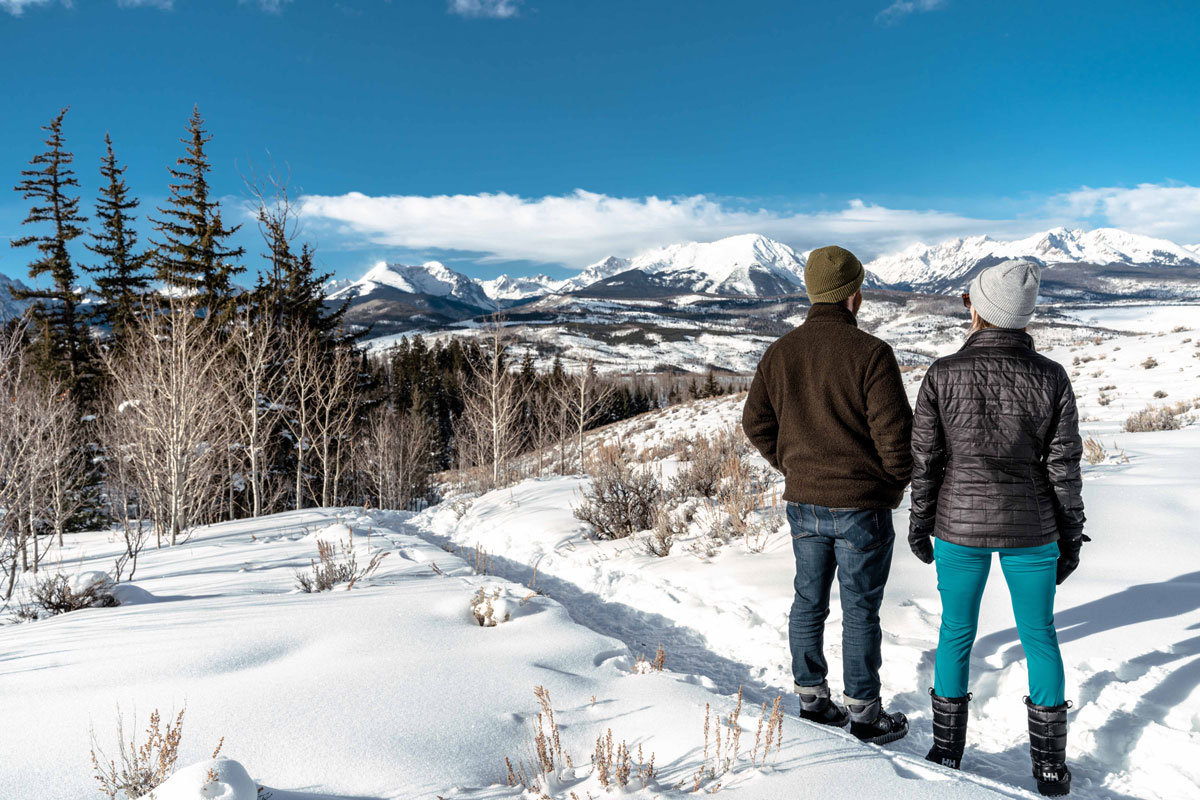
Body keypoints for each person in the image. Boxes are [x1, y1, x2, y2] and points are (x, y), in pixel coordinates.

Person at [907, 260, 1087, 797]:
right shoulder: (1051, 376)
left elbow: (926, 461)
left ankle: (945, 749)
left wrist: (921, 522)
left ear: (978, 310)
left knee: (955, 632)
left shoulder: (941, 373)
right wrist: (1070, 535)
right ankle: (1049, 767)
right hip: (1032, 527)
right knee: (1039, 637)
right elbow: (1064, 467)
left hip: (958, 523)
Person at [743, 245, 913, 745]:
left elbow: (756, 422)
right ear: (854, 297)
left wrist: (792, 464)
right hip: (862, 506)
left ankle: (812, 699)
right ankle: (864, 713)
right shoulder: (871, 354)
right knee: (860, 609)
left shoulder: (781, 352)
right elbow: (895, 440)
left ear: (811, 292)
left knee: (807, 600)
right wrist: (891, 485)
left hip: (805, 502)